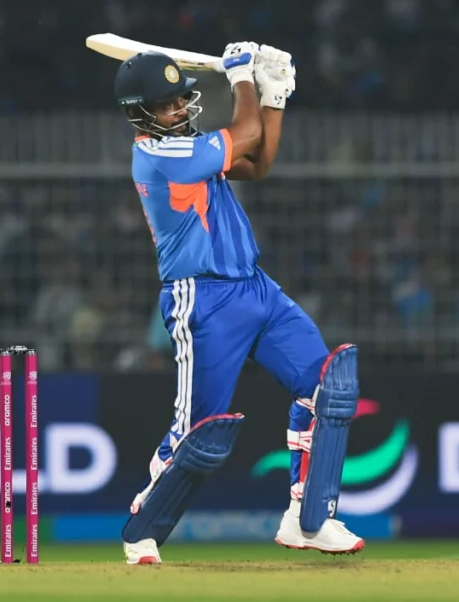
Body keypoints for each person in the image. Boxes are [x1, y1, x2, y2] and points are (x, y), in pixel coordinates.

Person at [115, 44, 365, 565]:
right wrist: (241, 77)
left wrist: (274, 97)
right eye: (166, 105)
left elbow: (258, 161)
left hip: (256, 289)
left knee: (327, 388)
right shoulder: (159, 155)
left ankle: (307, 518)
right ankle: (142, 526)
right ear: (140, 113)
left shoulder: (192, 148)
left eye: (181, 100)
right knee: (198, 431)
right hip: (202, 299)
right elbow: (246, 133)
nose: (179, 108)